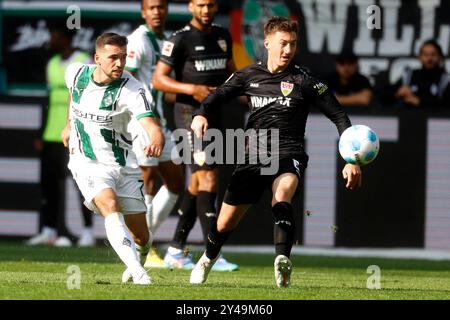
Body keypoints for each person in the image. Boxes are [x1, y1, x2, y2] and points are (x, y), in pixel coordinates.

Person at [189, 17, 362, 287]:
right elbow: (215, 97)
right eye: (283, 43)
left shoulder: (304, 80)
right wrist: (200, 115)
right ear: (267, 42)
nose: (288, 50)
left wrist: (352, 159)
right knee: (223, 225)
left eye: (293, 44)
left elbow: (339, 116)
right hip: (253, 157)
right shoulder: (248, 75)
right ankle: (207, 259)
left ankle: (282, 262)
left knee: (282, 196)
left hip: (288, 152)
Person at [61, 33, 164, 285]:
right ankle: (141, 275)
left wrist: (156, 137)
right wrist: (68, 124)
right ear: (97, 58)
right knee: (109, 204)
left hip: (123, 165)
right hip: (87, 161)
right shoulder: (75, 73)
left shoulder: (132, 88)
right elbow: (73, 95)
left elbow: (149, 122)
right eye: (113, 58)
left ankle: (136, 259)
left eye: (123, 57)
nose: (119, 63)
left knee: (142, 236)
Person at [153, 0, 238, 271]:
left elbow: (231, 72)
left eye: (211, 4)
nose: (206, 10)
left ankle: (176, 249)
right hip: (189, 116)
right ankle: (213, 253)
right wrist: (193, 89)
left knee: (197, 182)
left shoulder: (223, 35)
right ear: (191, 6)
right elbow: (158, 80)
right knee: (209, 178)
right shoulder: (179, 39)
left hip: (214, 115)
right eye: (200, 4)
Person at [125, 0, 184, 269]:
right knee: (147, 181)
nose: (156, 12)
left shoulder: (165, 41)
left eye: (161, 7)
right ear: (143, 12)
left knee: (175, 184)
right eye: (151, 7)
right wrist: (143, 116)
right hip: (145, 122)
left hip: (161, 122)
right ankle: (143, 249)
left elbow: (158, 84)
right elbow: (127, 79)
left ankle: (144, 240)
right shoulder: (138, 40)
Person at [26, 24, 96, 248]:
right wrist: (41, 132)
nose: (50, 40)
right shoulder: (52, 64)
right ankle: (49, 231)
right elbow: (48, 101)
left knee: (81, 184)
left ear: (65, 39)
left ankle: (87, 233)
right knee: (49, 184)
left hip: (75, 133)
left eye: (54, 35)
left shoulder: (84, 60)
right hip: (50, 135)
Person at [393, 40, 450, 108]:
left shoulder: (446, 80)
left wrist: (419, 101)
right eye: (426, 55)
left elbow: (447, 103)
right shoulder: (410, 76)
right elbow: (383, 96)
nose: (429, 58)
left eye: (433, 55)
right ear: (419, 57)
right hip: (408, 116)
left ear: (440, 57)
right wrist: (397, 94)